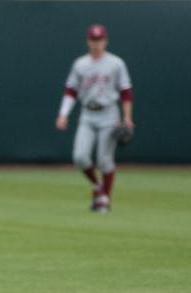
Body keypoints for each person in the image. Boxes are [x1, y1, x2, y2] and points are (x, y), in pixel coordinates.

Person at [56, 23, 134, 213]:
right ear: (88, 41)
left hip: (109, 113)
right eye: (93, 39)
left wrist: (127, 117)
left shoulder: (116, 63)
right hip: (88, 113)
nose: (96, 43)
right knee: (80, 157)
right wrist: (63, 114)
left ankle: (104, 199)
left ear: (105, 41)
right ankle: (98, 187)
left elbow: (125, 92)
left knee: (104, 160)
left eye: (99, 39)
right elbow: (71, 90)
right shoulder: (80, 64)